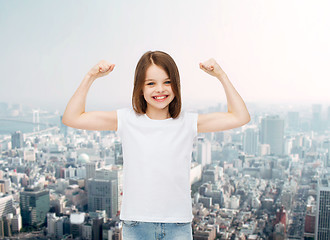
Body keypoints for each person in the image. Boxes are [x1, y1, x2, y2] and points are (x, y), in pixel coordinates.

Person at [62, 50, 250, 240]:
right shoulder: (127, 119)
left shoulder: (188, 122)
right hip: (136, 226)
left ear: (176, 85)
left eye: (167, 82)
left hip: (178, 225)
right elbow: (72, 117)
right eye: (151, 83)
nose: (160, 89)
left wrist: (221, 76)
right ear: (140, 88)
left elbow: (240, 116)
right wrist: (90, 76)